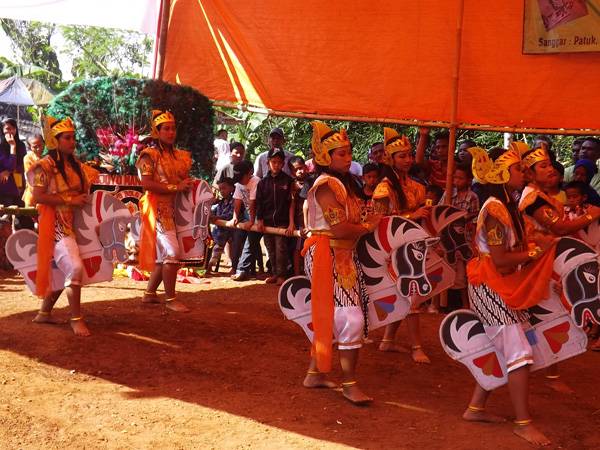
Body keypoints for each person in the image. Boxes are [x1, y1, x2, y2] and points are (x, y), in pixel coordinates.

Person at [464, 146, 555, 446]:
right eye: (518, 168)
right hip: (490, 286)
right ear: (501, 174)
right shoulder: (494, 211)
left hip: (500, 285)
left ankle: (476, 408)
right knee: (519, 353)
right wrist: (535, 252)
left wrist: (534, 246)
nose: (524, 173)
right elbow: (501, 260)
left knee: (507, 347)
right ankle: (523, 424)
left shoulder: (506, 206)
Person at [301, 121, 380, 405]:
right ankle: (349, 384)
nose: (348, 158)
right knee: (350, 317)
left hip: (342, 254)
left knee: (332, 315)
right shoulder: (325, 185)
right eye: (341, 154)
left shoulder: (345, 183)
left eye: (349, 152)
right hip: (328, 253)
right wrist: (368, 226)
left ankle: (315, 373)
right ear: (326, 157)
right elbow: (340, 228)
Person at [519, 145, 600, 393]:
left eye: (550, 164)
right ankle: (528, 368)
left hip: (545, 262)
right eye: (543, 166)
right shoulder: (532, 199)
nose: (551, 169)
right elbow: (560, 228)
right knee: (543, 315)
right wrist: (591, 215)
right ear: (530, 174)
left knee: (550, 314)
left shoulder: (543, 196)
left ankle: (546, 371)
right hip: (534, 264)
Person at [29, 116, 99, 336]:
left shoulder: (76, 165)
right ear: (55, 140)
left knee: (66, 269)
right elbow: (37, 197)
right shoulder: (44, 166)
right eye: (67, 138)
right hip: (56, 224)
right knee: (75, 268)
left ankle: (44, 313)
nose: (72, 142)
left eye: (73, 137)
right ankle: (76, 319)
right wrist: (70, 200)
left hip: (75, 223)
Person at [373, 127, 432, 364]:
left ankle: (388, 339)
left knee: (404, 294)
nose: (408, 160)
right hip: (393, 250)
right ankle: (417, 346)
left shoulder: (416, 186)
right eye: (402, 156)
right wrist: (412, 215)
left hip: (412, 246)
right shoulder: (384, 188)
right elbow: (379, 222)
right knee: (412, 294)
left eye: (409, 155)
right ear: (391, 159)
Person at [137, 110, 195, 313]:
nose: (171, 132)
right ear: (157, 131)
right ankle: (170, 298)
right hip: (157, 209)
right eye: (166, 129)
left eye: (173, 128)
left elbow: (183, 181)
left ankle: (150, 293)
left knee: (166, 255)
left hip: (175, 208)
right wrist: (176, 187)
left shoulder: (180, 156)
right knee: (172, 253)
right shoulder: (149, 155)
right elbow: (146, 184)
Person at [440, 163, 479, 308]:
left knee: (464, 275)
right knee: (447, 272)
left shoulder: (472, 197)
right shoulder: (448, 193)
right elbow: (440, 212)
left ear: (469, 180)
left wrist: (474, 243)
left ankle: (466, 304)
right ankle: (440, 304)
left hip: (464, 240)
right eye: (455, 177)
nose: (456, 181)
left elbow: (474, 220)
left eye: (460, 178)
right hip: (448, 239)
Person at [255, 148, 295, 284]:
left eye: (279, 162)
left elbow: (291, 203)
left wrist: (291, 223)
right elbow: (259, 203)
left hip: (282, 222)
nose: (276, 165)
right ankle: (274, 273)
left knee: (280, 249)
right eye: (273, 162)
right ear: (268, 163)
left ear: (283, 164)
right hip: (266, 223)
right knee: (270, 249)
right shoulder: (262, 183)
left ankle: (281, 275)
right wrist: (259, 220)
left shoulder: (288, 181)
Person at [229, 160, 262, 281]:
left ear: (249, 173)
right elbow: (237, 201)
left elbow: (253, 203)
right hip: (248, 216)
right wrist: (235, 217)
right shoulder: (239, 184)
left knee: (250, 241)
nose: (239, 181)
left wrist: (252, 221)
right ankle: (236, 267)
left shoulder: (256, 181)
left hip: (260, 216)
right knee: (237, 238)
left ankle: (242, 270)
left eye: (241, 178)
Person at [207, 177, 236, 273]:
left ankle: (210, 264)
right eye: (220, 189)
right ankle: (208, 263)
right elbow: (213, 211)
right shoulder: (220, 202)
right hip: (218, 231)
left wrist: (217, 217)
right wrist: (211, 206)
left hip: (230, 231)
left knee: (218, 243)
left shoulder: (234, 201)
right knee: (211, 242)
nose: (222, 191)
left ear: (231, 188)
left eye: (224, 188)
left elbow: (230, 215)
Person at [0, 118, 27, 207]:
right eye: (7, 129)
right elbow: (7, 165)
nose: (11, 131)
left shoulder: (21, 145)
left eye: (13, 128)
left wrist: (13, 146)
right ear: (2, 130)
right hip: (3, 185)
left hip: (16, 185)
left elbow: (20, 165)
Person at [289, 156, 308, 275]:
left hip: (312, 222)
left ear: (305, 167)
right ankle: (297, 274)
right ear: (292, 172)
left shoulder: (312, 180)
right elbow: (292, 204)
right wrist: (292, 223)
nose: (299, 171)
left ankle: (308, 273)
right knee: (297, 248)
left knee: (309, 248)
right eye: (295, 170)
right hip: (299, 222)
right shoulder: (293, 185)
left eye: (301, 168)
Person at [23, 134, 45, 207]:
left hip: (46, 196)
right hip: (33, 195)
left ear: (44, 143)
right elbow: (31, 179)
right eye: (35, 147)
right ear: (30, 147)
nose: (38, 148)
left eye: (40, 145)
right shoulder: (28, 158)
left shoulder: (47, 157)